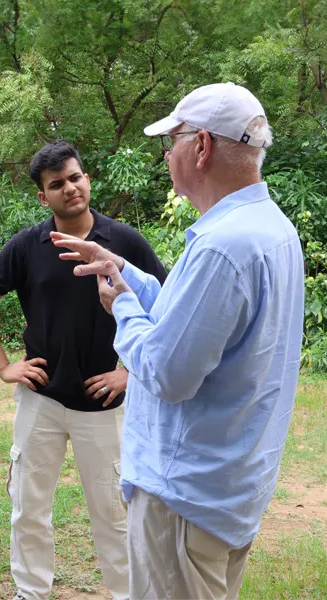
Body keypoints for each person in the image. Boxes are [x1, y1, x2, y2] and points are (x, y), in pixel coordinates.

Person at [53, 83, 304, 599]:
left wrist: (120, 302)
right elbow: (196, 319)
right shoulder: (270, 228)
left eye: (173, 140)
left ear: (203, 147)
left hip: (185, 495)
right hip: (229, 486)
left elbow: (168, 371)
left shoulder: (221, 245)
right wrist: (127, 273)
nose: (168, 154)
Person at [0, 141, 167, 600]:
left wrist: (130, 373)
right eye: (56, 184)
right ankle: (31, 592)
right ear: (44, 196)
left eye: (75, 177)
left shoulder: (125, 243)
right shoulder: (27, 246)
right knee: (28, 508)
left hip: (105, 405)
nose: (69, 188)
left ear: (87, 178)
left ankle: (126, 594)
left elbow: (169, 312)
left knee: (115, 513)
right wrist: (3, 367)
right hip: (41, 401)